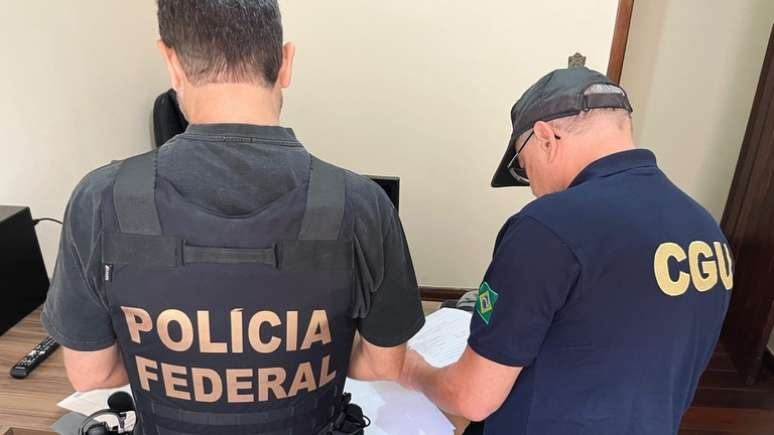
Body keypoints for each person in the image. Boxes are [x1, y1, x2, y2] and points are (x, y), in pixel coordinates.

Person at [42, 1, 425, 434]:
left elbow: (91, 373)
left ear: (171, 62)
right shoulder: (362, 204)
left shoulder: (99, 198)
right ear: (286, 63)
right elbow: (383, 363)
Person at [398, 66, 733, 435]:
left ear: (546, 137)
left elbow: (472, 398)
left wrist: (412, 370)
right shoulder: (706, 231)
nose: (532, 187)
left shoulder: (547, 227)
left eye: (523, 167)